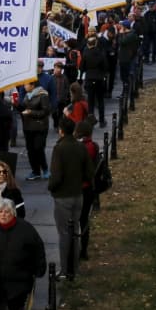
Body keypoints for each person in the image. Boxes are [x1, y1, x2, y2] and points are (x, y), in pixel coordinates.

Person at [48, 118, 94, 281]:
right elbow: (89, 172)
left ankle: (65, 270)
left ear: (61, 130)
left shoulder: (59, 149)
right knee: (75, 231)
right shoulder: (80, 146)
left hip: (63, 196)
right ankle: (73, 267)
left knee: (64, 234)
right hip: (78, 194)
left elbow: (56, 175)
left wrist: (51, 187)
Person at [74, 119, 100, 261]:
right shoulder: (93, 146)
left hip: (79, 187)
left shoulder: (80, 147)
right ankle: (84, 249)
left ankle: (76, 249)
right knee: (84, 220)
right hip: (88, 188)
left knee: (74, 220)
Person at [17, 80, 51, 181]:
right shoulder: (28, 95)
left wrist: (31, 112)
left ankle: (45, 169)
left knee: (39, 148)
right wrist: (16, 104)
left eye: (26, 84)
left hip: (40, 127)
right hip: (28, 127)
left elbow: (45, 111)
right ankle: (35, 171)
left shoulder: (43, 95)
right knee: (30, 150)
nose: (24, 86)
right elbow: (23, 107)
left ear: (32, 85)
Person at [81, 35, 108, 127]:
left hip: (89, 78)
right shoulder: (100, 53)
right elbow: (105, 66)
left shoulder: (85, 54)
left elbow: (82, 67)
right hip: (99, 78)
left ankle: (91, 121)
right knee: (100, 100)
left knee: (90, 101)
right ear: (95, 43)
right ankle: (101, 121)